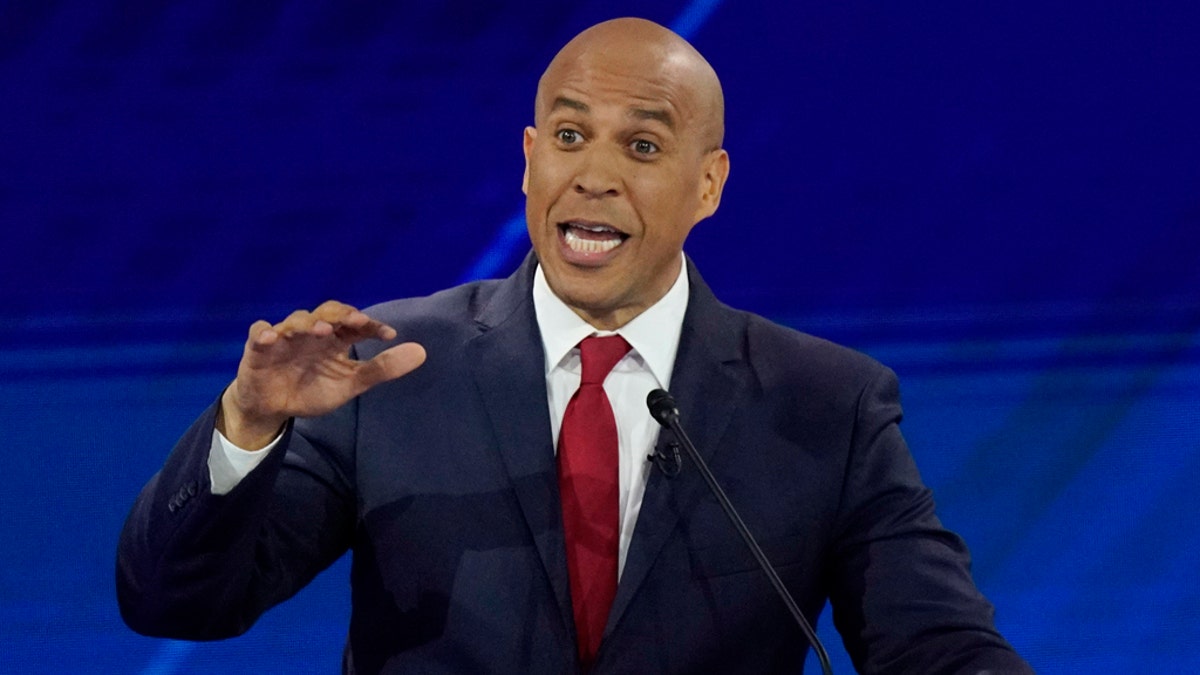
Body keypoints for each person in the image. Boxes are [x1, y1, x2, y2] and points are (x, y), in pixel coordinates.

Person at [117, 17, 1032, 674]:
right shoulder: (391, 371)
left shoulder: (826, 404)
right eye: (568, 137)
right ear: (528, 161)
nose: (592, 175)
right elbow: (177, 603)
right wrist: (247, 426)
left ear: (708, 183)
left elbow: (934, 643)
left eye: (641, 145)